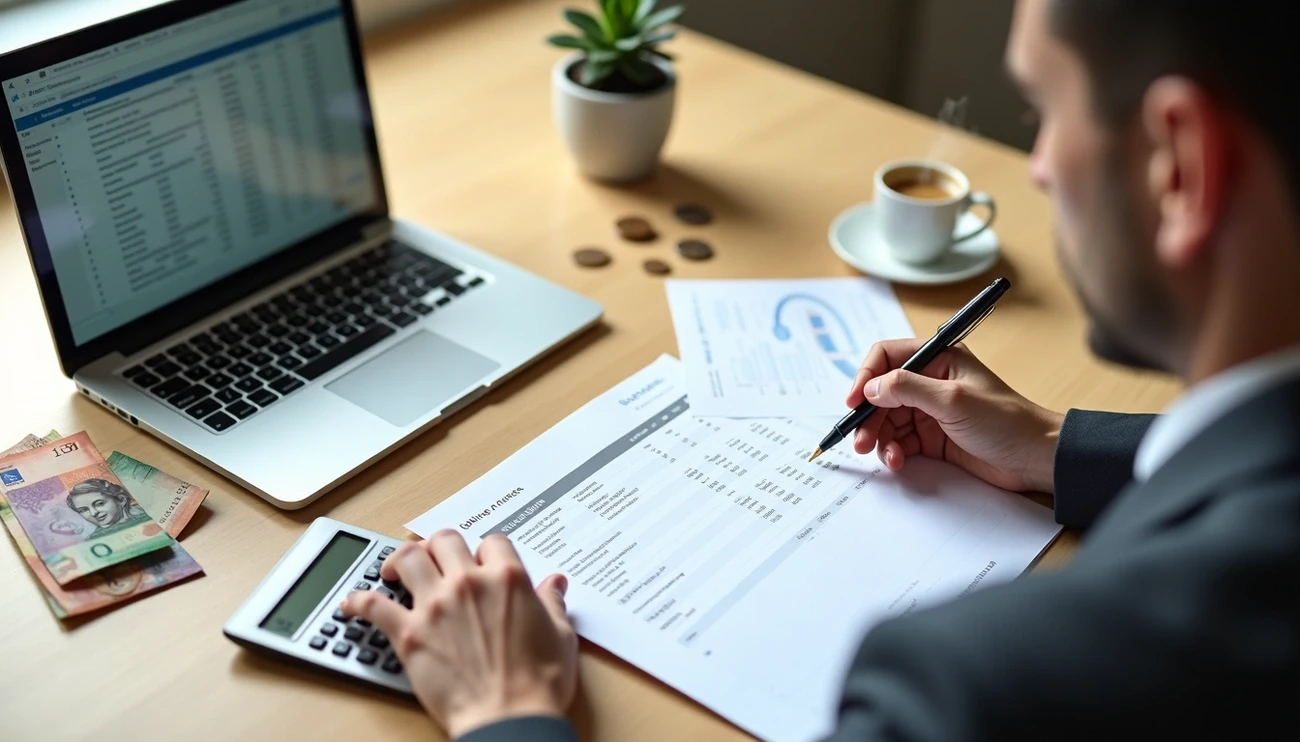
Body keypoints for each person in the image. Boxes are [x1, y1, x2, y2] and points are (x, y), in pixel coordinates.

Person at [341, 0, 1300, 738]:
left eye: (1044, 110)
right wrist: (1057, 448)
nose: (1039, 167)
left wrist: (508, 711)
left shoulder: (990, 686)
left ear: (1180, 168)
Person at [66, 478, 148, 533]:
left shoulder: (148, 516)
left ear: (121, 500)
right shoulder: (92, 540)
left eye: (99, 504)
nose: (93, 513)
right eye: (83, 510)